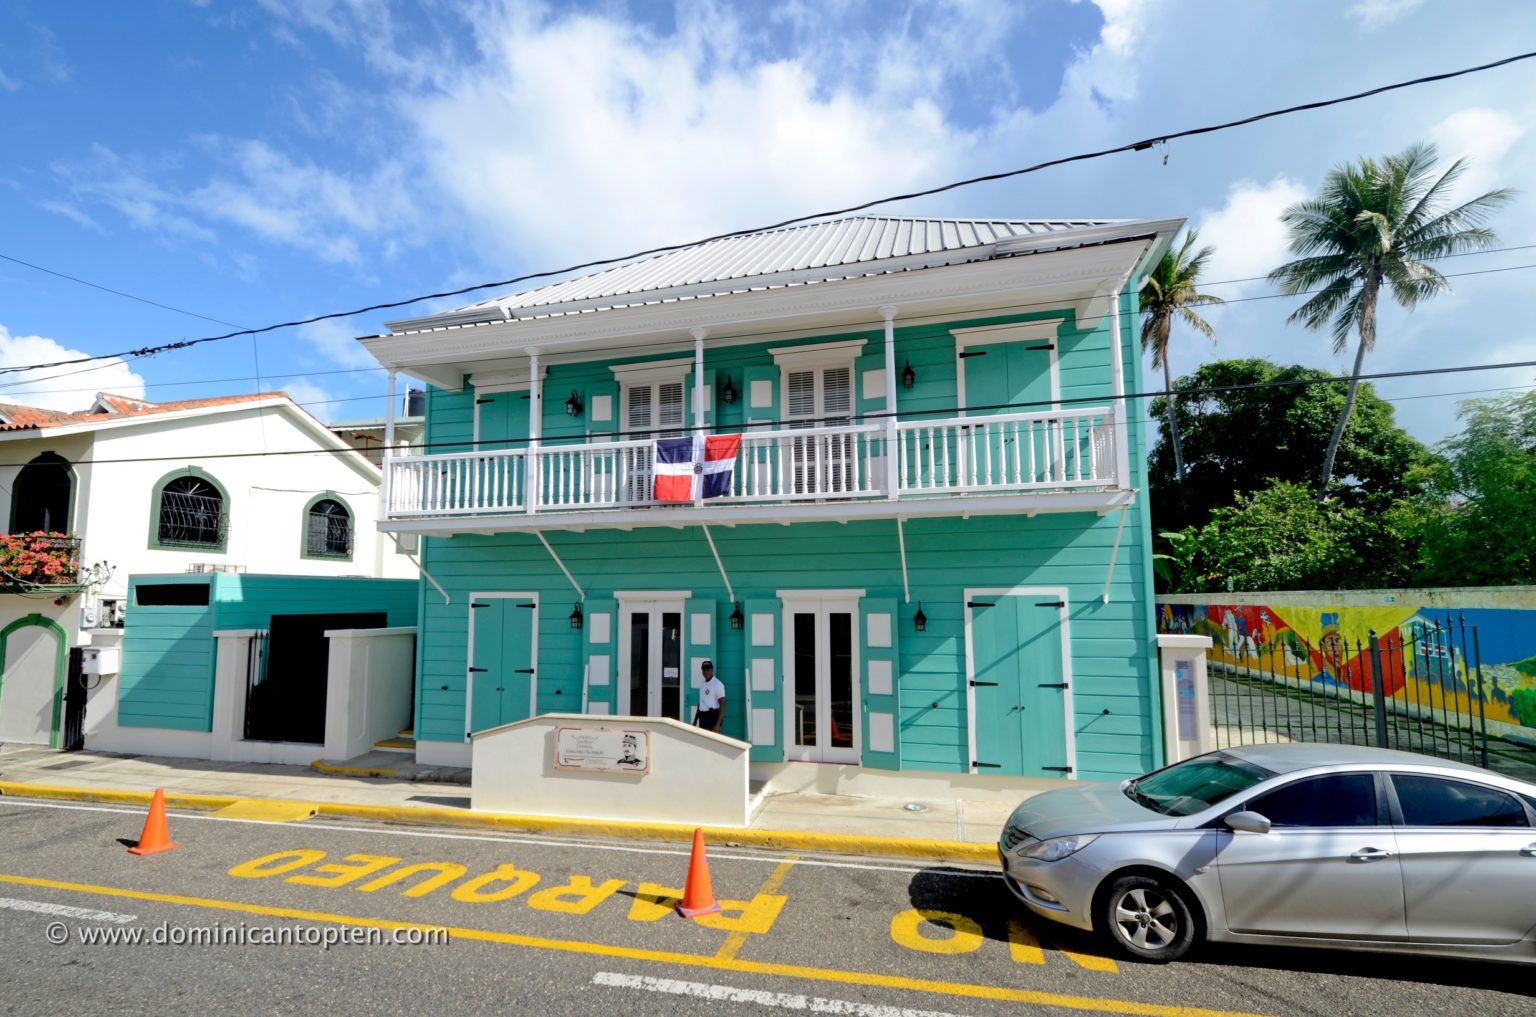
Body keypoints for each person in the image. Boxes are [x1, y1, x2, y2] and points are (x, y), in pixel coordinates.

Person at [695, 659, 726, 733]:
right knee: (703, 738)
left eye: (708, 669)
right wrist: (695, 720)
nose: (706, 672)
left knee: (712, 739)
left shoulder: (718, 684)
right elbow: (701, 703)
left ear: (712, 670)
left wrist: (717, 724)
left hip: (712, 717)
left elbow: (723, 704)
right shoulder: (702, 684)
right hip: (702, 717)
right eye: (704, 669)